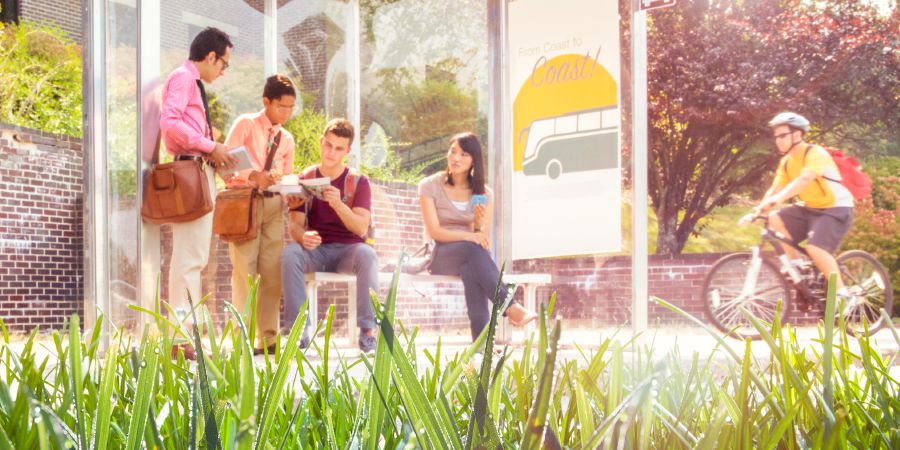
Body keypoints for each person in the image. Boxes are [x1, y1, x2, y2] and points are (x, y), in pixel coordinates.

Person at [160, 27, 237, 359]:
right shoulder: (182, 78)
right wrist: (209, 144)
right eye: (224, 64)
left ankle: (185, 335)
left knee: (195, 259)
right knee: (188, 260)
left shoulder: (192, 83)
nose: (223, 70)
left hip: (200, 170)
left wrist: (212, 149)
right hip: (190, 173)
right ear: (211, 56)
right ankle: (180, 340)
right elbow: (170, 124)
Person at [418, 132, 538, 341]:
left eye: (464, 154)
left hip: (468, 256)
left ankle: (482, 344)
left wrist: (477, 223)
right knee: (471, 250)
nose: (456, 158)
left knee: (471, 269)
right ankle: (511, 307)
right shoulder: (430, 186)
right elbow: (434, 232)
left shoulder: (482, 193)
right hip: (440, 255)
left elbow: (480, 236)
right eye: (453, 151)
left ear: (474, 160)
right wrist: (470, 236)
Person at [281, 118, 378, 352]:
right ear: (321, 142)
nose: (331, 152)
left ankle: (367, 331)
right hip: (316, 249)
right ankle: (298, 332)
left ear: (347, 151)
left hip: (348, 252)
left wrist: (339, 205)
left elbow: (361, 228)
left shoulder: (358, 182)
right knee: (290, 253)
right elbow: (294, 225)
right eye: (328, 145)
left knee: (368, 254)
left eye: (338, 148)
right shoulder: (305, 178)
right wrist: (302, 237)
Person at [223, 75, 296, 354]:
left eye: (290, 108)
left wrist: (287, 181)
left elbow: (287, 173)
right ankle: (241, 339)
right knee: (244, 271)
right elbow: (226, 164)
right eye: (281, 106)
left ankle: (268, 339)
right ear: (266, 101)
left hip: (274, 205)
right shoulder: (246, 124)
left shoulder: (286, 138)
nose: (286, 113)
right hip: (245, 203)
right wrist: (254, 175)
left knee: (271, 272)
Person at [757, 112, 854, 304]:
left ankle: (844, 295)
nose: (778, 140)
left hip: (836, 208)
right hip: (812, 208)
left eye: (783, 135)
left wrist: (778, 199)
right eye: (776, 137)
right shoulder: (786, 162)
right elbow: (775, 187)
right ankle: (798, 267)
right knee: (774, 219)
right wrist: (759, 209)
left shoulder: (815, 153)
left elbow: (805, 179)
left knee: (815, 248)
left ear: (798, 134)